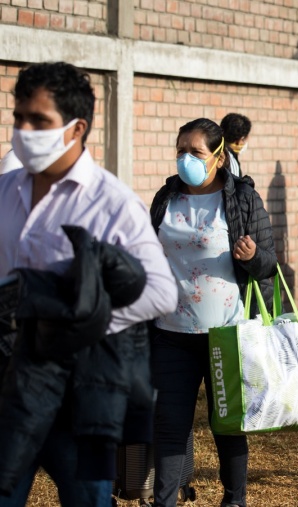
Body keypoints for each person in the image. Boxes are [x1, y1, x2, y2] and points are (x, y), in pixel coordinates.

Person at [0, 62, 177, 507]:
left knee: (89, 498)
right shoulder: (5, 190)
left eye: (39, 121)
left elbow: (161, 292)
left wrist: (79, 318)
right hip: (8, 382)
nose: (23, 130)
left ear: (77, 128)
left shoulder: (112, 204)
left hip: (84, 391)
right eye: (18, 117)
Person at [148, 118, 278, 507]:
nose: (185, 158)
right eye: (180, 150)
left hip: (226, 334)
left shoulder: (243, 200)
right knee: (170, 426)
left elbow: (270, 265)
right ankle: (163, 502)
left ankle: (234, 500)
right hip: (169, 332)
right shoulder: (165, 198)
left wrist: (253, 257)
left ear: (219, 157)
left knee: (226, 425)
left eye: (196, 152)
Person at [220, 113, 251, 177]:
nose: (244, 143)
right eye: (244, 140)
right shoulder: (231, 161)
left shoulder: (213, 153)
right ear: (239, 140)